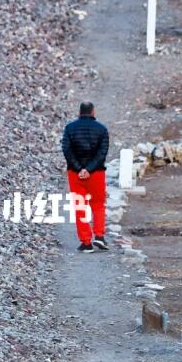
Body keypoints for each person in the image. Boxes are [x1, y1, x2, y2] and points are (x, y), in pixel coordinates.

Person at [61, 101, 109, 251]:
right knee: (98, 204)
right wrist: (89, 169)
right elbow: (102, 152)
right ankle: (100, 236)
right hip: (96, 173)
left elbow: (67, 150)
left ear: (80, 112)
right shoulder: (102, 129)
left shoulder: (69, 128)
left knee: (80, 207)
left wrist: (79, 168)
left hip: (75, 174)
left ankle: (86, 242)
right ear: (93, 112)